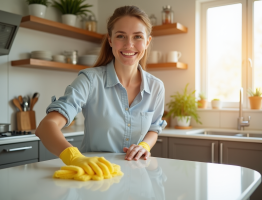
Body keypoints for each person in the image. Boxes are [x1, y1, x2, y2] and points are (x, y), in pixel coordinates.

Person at [35, 5, 167, 177]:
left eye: (137, 37)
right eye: (121, 36)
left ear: (147, 42)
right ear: (110, 40)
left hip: (138, 177)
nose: (129, 44)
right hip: (96, 176)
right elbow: (46, 127)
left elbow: (153, 128)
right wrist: (75, 158)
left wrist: (144, 146)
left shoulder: (156, 87)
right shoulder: (90, 80)